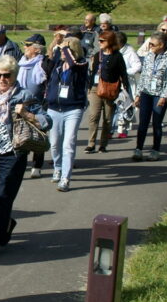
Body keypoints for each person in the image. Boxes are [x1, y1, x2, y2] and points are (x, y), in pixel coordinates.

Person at [0, 56, 51, 257]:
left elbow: (47, 121)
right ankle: (7, 222)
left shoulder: (24, 95)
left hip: (13, 153)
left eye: (6, 75)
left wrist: (27, 114)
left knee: (4, 197)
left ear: (14, 75)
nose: (2, 79)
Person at [46, 34, 88, 192]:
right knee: (55, 143)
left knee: (68, 143)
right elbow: (51, 55)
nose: (62, 52)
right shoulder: (58, 63)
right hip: (54, 108)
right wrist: (55, 42)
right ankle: (57, 167)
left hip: (73, 109)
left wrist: (65, 45)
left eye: (66, 49)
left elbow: (73, 62)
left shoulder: (81, 65)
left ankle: (65, 178)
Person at [84, 31, 132, 154]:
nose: (99, 43)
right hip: (95, 89)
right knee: (93, 116)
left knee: (107, 119)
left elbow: (123, 73)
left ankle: (103, 144)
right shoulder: (97, 55)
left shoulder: (117, 56)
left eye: (102, 41)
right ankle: (91, 143)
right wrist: (88, 87)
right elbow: (91, 72)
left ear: (109, 42)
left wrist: (126, 90)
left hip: (110, 89)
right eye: (99, 40)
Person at [133, 32, 167, 161]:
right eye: (149, 43)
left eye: (153, 44)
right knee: (143, 123)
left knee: (156, 123)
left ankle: (155, 150)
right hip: (146, 93)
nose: (150, 46)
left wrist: (164, 96)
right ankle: (138, 149)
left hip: (159, 94)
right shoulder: (149, 55)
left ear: (161, 45)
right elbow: (143, 75)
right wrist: (138, 94)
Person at [18, 34, 50, 178]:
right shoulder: (21, 63)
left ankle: (37, 165)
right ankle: (21, 163)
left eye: (28, 45)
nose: (25, 47)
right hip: (21, 105)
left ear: (37, 49)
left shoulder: (44, 64)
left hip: (38, 106)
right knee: (21, 135)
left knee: (38, 135)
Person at [114, 31, 142, 138]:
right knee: (115, 106)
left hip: (126, 83)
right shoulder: (113, 51)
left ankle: (123, 130)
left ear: (119, 43)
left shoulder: (130, 52)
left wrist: (125, 72)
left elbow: (138, 66)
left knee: (125, 106)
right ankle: (113, 128)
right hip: (114, 82)